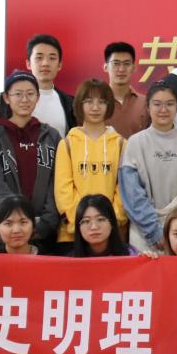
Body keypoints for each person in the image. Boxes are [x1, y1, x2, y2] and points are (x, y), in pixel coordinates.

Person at [0, 71, 62, 251]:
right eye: (18, 94)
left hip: (44, 231)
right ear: (6, 98)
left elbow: (56, 183)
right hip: (4, 232)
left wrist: (45, 222)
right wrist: (16, 223)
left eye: (30, 94)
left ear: (38, 97)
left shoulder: (51, 135)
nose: (25, 99)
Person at [119, 81, 177, 253]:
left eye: (170, 104)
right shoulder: (135, 143)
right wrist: (153, 231)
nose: (163, 109)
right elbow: (132, 193)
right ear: (147, 107)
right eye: (157, 104)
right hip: (143, 232)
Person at [53, 79, 127, 246]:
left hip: (113, 234)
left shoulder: (121, 144)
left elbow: (124, 189)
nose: (95, 107)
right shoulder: (67, 144)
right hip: (72, 235)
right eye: (88, 101)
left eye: (102, 102)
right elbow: (63, 191)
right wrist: (84, 222)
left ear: (109, 106)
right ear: (79, 104)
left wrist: (108, 222)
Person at [19, 34, 74, 136]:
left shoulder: (70, 103)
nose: (45, 63)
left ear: (59, 65)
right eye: (39, 57)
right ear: (28, 64)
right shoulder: (11, 100)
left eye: (52, 58)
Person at [103, 42, 149, 139]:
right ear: (106, 67)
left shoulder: (145, 103)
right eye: (116, 63)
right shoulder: (96, 103)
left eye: (127, 64)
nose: (121, 69)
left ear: (134, 68)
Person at [70, 193, 137, 257]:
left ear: (112, 223)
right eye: (86, 221)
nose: (94, 227)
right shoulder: (70, 261)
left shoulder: (131, 255)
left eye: (100, 219)